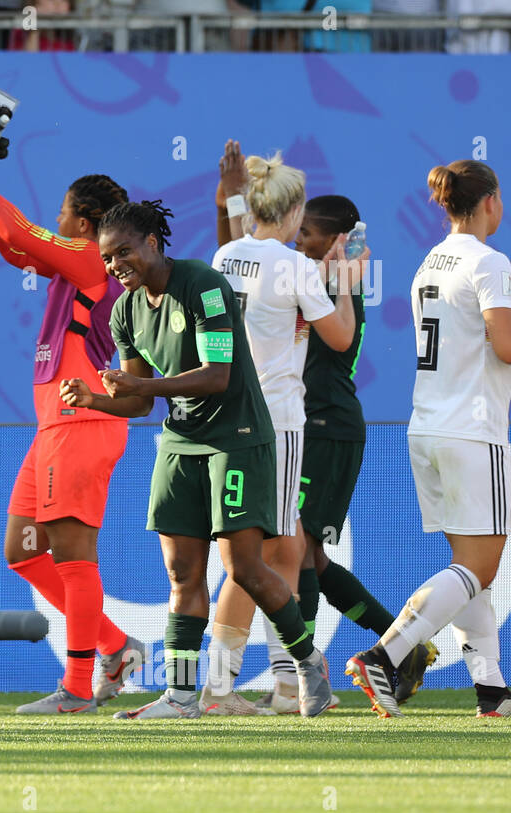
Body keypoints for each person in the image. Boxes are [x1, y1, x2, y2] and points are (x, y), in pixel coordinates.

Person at [62, 199, 334, 719]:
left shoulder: (203, 284)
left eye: (125, 252)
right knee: (182, 573)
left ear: (153, 244)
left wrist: (141, 383)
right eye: (108, 258)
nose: (117, 265)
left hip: (237, 437)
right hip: (180, 444)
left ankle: (307, 663)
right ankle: (182, 697)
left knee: (245, 567)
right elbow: (140, 401)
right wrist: (95, 399)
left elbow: (218, 376)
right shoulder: (125, 311)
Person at [0, 132, 147, 714]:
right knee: (22, 551)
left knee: (73, 556)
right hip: (54, 424)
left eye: (63, 212)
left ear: (86, 223)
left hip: (82, 419)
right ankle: (115, 648)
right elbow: (15, 249)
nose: (55, 220)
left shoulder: (94, 259)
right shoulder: (73, 261)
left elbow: (22, 235)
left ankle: (76, 689)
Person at [213, 141, 437, 713]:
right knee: (298, 555)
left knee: (294, 551)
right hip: (292, 425)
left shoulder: (332, 283)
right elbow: (248, 262)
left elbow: (335, 337)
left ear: (334, 239)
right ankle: (390, 648)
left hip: (325, 427)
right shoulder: (296, 271)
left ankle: (305, 677)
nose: (302, 239)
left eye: (312, 233)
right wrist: (234, 204)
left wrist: (344, 278)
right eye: (301, 228)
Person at [347, 160, 511, 718]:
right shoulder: (491, 260)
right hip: (471, 431)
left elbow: (475, 330)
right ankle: (386, 654)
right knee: (480, 565)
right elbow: (509, 349)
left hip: (427, 426)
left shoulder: (433, 259)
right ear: (490, 201)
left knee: (467, 563)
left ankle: (491, 690)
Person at [199, 151, 360, 716]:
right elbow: (340, 338)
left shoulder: (227, 253)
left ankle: (287, 686)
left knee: (284, 546)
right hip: (278, 419)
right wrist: (343, 280)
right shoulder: (294, 266)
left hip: (229, 416)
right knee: (259, 554)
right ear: (293, 211)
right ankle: (220, 690)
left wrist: (230, 199)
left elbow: (245, 244)